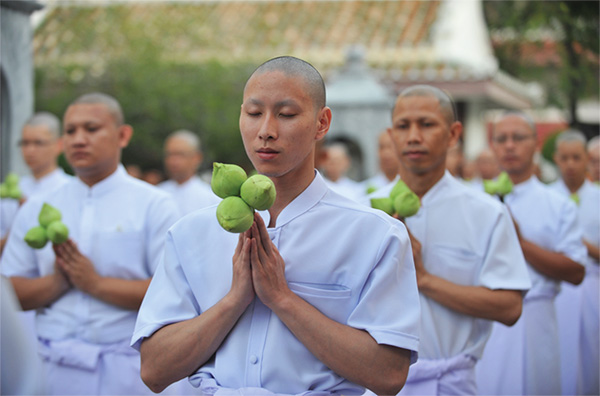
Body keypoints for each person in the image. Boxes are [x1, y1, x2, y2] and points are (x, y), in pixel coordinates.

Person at [132, 56, 420, 396]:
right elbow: (154, 371)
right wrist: (234, 300)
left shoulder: (373, 234)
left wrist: (282, 299)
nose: (266, 130)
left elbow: (388, 375)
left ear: (321, 123)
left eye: (286, 114)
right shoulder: (192, 232)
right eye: (254, 114)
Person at [0, 92, 180, 395]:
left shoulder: (155, 204)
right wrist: (58, 282)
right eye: (70, 131)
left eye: (91, 129)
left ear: (122, 135)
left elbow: (172, 293)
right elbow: (8, 289)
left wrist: (94, 283)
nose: (78, 139)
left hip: (125, 369)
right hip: (49, 366)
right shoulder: (37, 207)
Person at [367, 85, 530, 395]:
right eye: (403, 126)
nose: (413, 136)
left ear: (454, 134)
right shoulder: (365, 210)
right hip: (377, 383)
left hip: (449, 382)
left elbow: (510, 308)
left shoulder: (487, 213)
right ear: (391, 135)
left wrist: (424, 278)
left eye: (426, 124)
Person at [476, 111, 587, 396]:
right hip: (484, 318)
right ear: (492, 146)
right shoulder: (475, 201)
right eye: (501, 139)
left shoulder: (557, 204)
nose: (509, 146)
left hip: (537, 315)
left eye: (518, 138)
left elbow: (576, 271)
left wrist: (521, 242)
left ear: (535, 144)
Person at [549, 129, 599, 395]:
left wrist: (584, 246)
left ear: (586, 160)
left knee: (590, 355)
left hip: (592, 286)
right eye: (565, 157)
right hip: (554, 287)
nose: (570, 164)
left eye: (576, 158)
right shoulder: (547, 197)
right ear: (556, 159)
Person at [1, 112, 72, 254]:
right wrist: (20, 220)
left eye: (38, 143)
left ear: (59, 145)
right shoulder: (12, 192)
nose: (29, 151)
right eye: (24, 143)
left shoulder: (71, 189)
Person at [158, 129, 220, 218]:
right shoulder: (158, 193)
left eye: (180, 154)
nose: (173, 161)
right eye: (169, 154)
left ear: (197, 158)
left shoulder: (211, 200)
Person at [361, 129, 401, 194]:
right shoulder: (364, 189)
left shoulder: (415, 187)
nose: (385, 153)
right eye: (381, 147)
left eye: (391, 147)